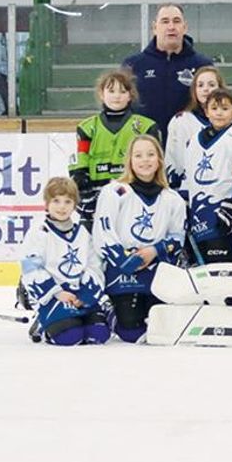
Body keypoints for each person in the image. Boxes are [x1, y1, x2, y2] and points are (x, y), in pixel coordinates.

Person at [93, 135, 186, 343]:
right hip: (122, 271)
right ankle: (105, 310)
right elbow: (103, 233)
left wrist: (154, 251)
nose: (145, 160)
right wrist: (125, 260)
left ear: (160, 160)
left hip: (155, 269)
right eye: (138, 155)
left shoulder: (172, 198)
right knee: (132, 333)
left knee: (161, 327)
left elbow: (177, 237)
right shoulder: (115, 192)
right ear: (130, 161)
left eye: (151, 154)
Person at [20, 177, 110, 346]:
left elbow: (94, 265)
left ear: (74, 205)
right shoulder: (39, 232)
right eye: (56, 201)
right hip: (54, 295)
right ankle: (42, 324)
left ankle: (76, 317)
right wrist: (57, 293)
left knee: (99, 335)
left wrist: (85, 294)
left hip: (79, 295)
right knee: (70, 337)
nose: (62, 206)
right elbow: (31, 268)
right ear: (47, 203)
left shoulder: (82, 233)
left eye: (67, 201)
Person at [69, 70, 161, 227]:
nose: (117, 96)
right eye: (111, 91)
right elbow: (81, 158)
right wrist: (83, 185)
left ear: (130, 95)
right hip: (95, 195)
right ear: (101, 94)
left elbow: (156, 163)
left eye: (122, 91)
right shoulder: (87, 127)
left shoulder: (146, 126)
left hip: (133, 194)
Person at [180, 88, 232, 264]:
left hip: (227, 216)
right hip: (199, 216)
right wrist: (183, 203)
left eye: (225, 109)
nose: (219, 113)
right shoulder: (193, 140)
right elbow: (188, 175)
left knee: (226, 268)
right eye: (214, 109)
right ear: (206, 112)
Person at [122, 3, 214, 141]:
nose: (171, 27)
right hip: (146, 150)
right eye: (165, 21)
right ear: (154, 27)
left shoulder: (202, 65)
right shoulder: (133, 65)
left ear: (185, 27)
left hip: (189, 148)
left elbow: (214, 105)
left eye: (176, 21)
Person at [165, 66, 232, 189]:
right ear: (194, 90)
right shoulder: (181, 121)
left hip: (228, 191)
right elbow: (174, 160)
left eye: (211, 84)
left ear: (220, 88)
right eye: (200, 85)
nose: (206, 89)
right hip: (192, 190)